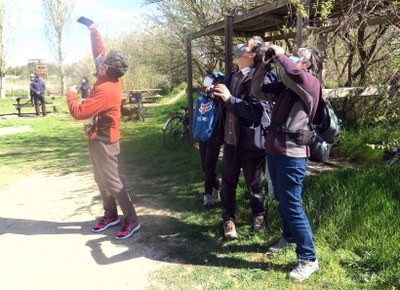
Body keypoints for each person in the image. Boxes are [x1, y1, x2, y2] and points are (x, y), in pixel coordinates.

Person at [65, 23, 140, 240]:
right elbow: (100, 52)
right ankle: (111, 215)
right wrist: (94, 31)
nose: (98, 60)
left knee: (113, 181)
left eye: (102, 61)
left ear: (106, 67)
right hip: (96, 137)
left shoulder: (105, 89)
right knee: (100, 178)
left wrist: (70, 94)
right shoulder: (107, 75)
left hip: (106, 141)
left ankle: (132, 220)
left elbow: (79, 112)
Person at [261, 44, 323, 282]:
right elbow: (258, 90)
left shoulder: (310, 83)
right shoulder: (287, 88)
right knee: (282, 199)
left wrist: (280, 53)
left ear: (306, 64)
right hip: (275, 149)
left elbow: (294, 72)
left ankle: (309, 259)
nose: (292, 58)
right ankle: (288, 238)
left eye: (298, 56)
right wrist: (264, 65)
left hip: (293, 153)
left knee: (292, 204)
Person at [212, 37, 270, 239]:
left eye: (246, 44)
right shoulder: (232, 75)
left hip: (251, 143)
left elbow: (256, 112)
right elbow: (225, 105)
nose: (240, 45)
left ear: (252, 54)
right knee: (228, 183)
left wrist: (230, 99)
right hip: (229, 142)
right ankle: (228, 219)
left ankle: (259, 215)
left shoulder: (260, 77)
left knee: (255, 185)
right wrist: (215, 94)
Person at [194, 72, 225, 206]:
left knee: (209, 165)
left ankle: (207, 195)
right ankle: (218, 187)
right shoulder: (202, 97)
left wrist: (214, 93)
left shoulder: (218, 97)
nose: (207, 81)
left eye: (211, 79)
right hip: (202, 135)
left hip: (215, 136)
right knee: (204, 165)